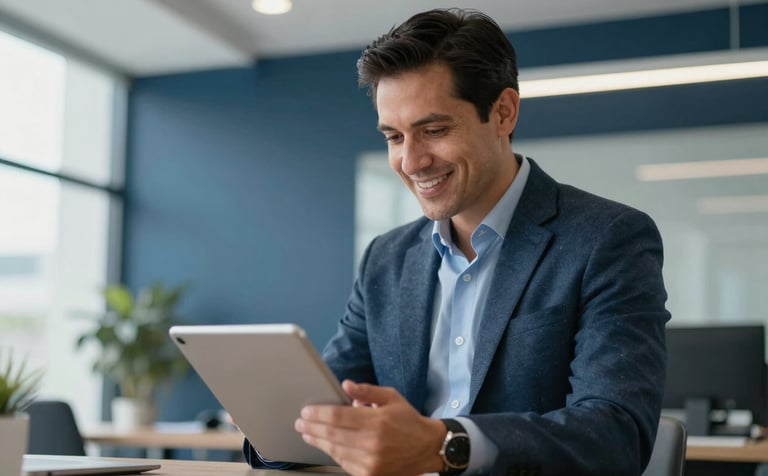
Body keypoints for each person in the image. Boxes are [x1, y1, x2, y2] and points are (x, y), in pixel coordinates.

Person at [245, 8, 669, 476]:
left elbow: (615, 434)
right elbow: (326, 404)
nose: (411, 161)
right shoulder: (386, 259)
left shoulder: (607, 239)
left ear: (503, 112)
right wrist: (277, 427)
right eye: (394, 137)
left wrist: (444, 444)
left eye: (434, 130)